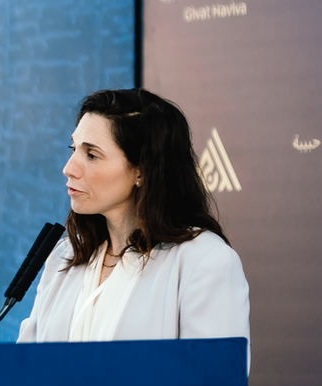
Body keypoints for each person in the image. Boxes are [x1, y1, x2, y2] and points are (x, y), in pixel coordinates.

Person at [17, 88, 250, 360]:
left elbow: (213, 378)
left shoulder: (205, 261)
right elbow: (25, 367)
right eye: (74, 149)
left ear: (142, 170)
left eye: (91, 155)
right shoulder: (64, 255)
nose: (69, 168)